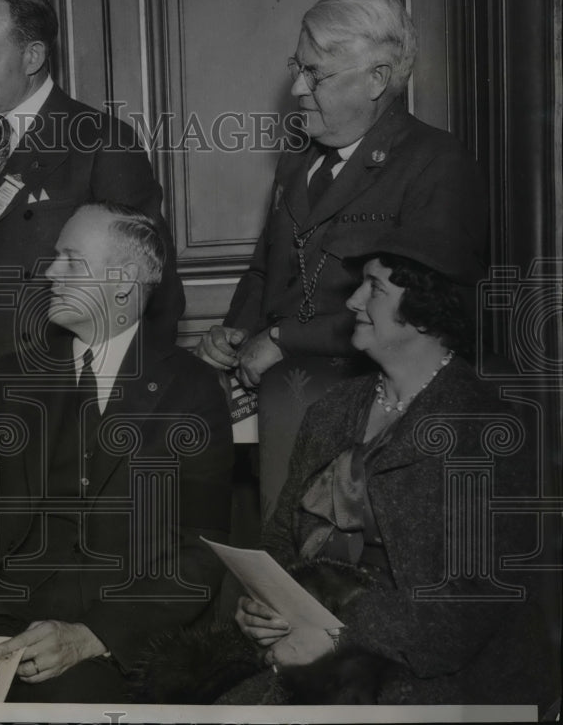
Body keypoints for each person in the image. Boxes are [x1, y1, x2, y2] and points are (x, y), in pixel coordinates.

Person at [0, 203, 232, 702]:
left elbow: (199, 555)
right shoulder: (11, 378)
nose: (50, 272)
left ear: (122, 283)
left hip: (110, 635)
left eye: (71, 261)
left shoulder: (191, 390)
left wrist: (92, 636)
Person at [222, 226, 552, 705]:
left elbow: (467, 608)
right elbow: (280, 539)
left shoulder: (485, 429)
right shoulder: (332, 411)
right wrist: (264, 608)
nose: (354, 301)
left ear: (423, 311)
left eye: (374, 288)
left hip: (440, 674)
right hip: (322, 649)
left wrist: (337, 637)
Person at [195, 0, 489, 520]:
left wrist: (283, 338)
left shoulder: (435, 162)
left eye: (317, 74)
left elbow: (426, 311)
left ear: (377, 78)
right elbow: (266, 269)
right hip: (275, 385)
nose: (297, 87)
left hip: (358, 399)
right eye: (296, 67)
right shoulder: (296, 163)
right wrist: (233, 335)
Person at [0, 0, 185, 396]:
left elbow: (156, 289)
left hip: (68, 400)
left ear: (32, 56)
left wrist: (127, 406)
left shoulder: (102, 141)